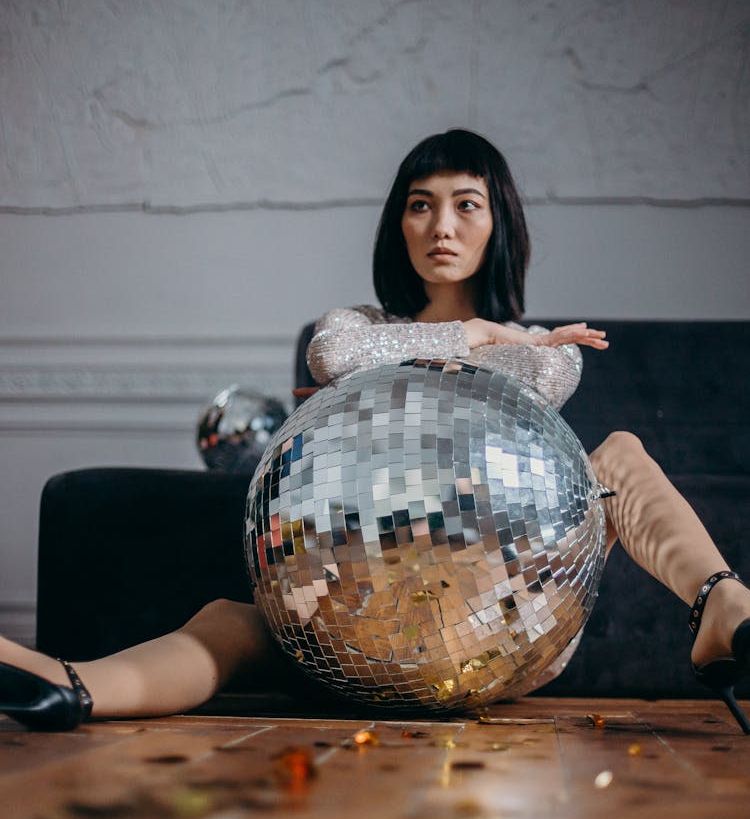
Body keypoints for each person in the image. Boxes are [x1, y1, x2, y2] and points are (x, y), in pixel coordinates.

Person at [2, 129, 748, 733]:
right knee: (229, 621)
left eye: (466, 204)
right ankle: (71, 686)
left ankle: (723, 605)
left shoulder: (540, 350)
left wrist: (496, 337)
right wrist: (469, 334)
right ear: (400, 223)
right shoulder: (356, 325)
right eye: (421, 205)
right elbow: (332, 354)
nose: (442, 226)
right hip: (350, 630)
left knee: (618, 451)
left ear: (498, 224)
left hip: (502, 627)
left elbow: (536, 388)